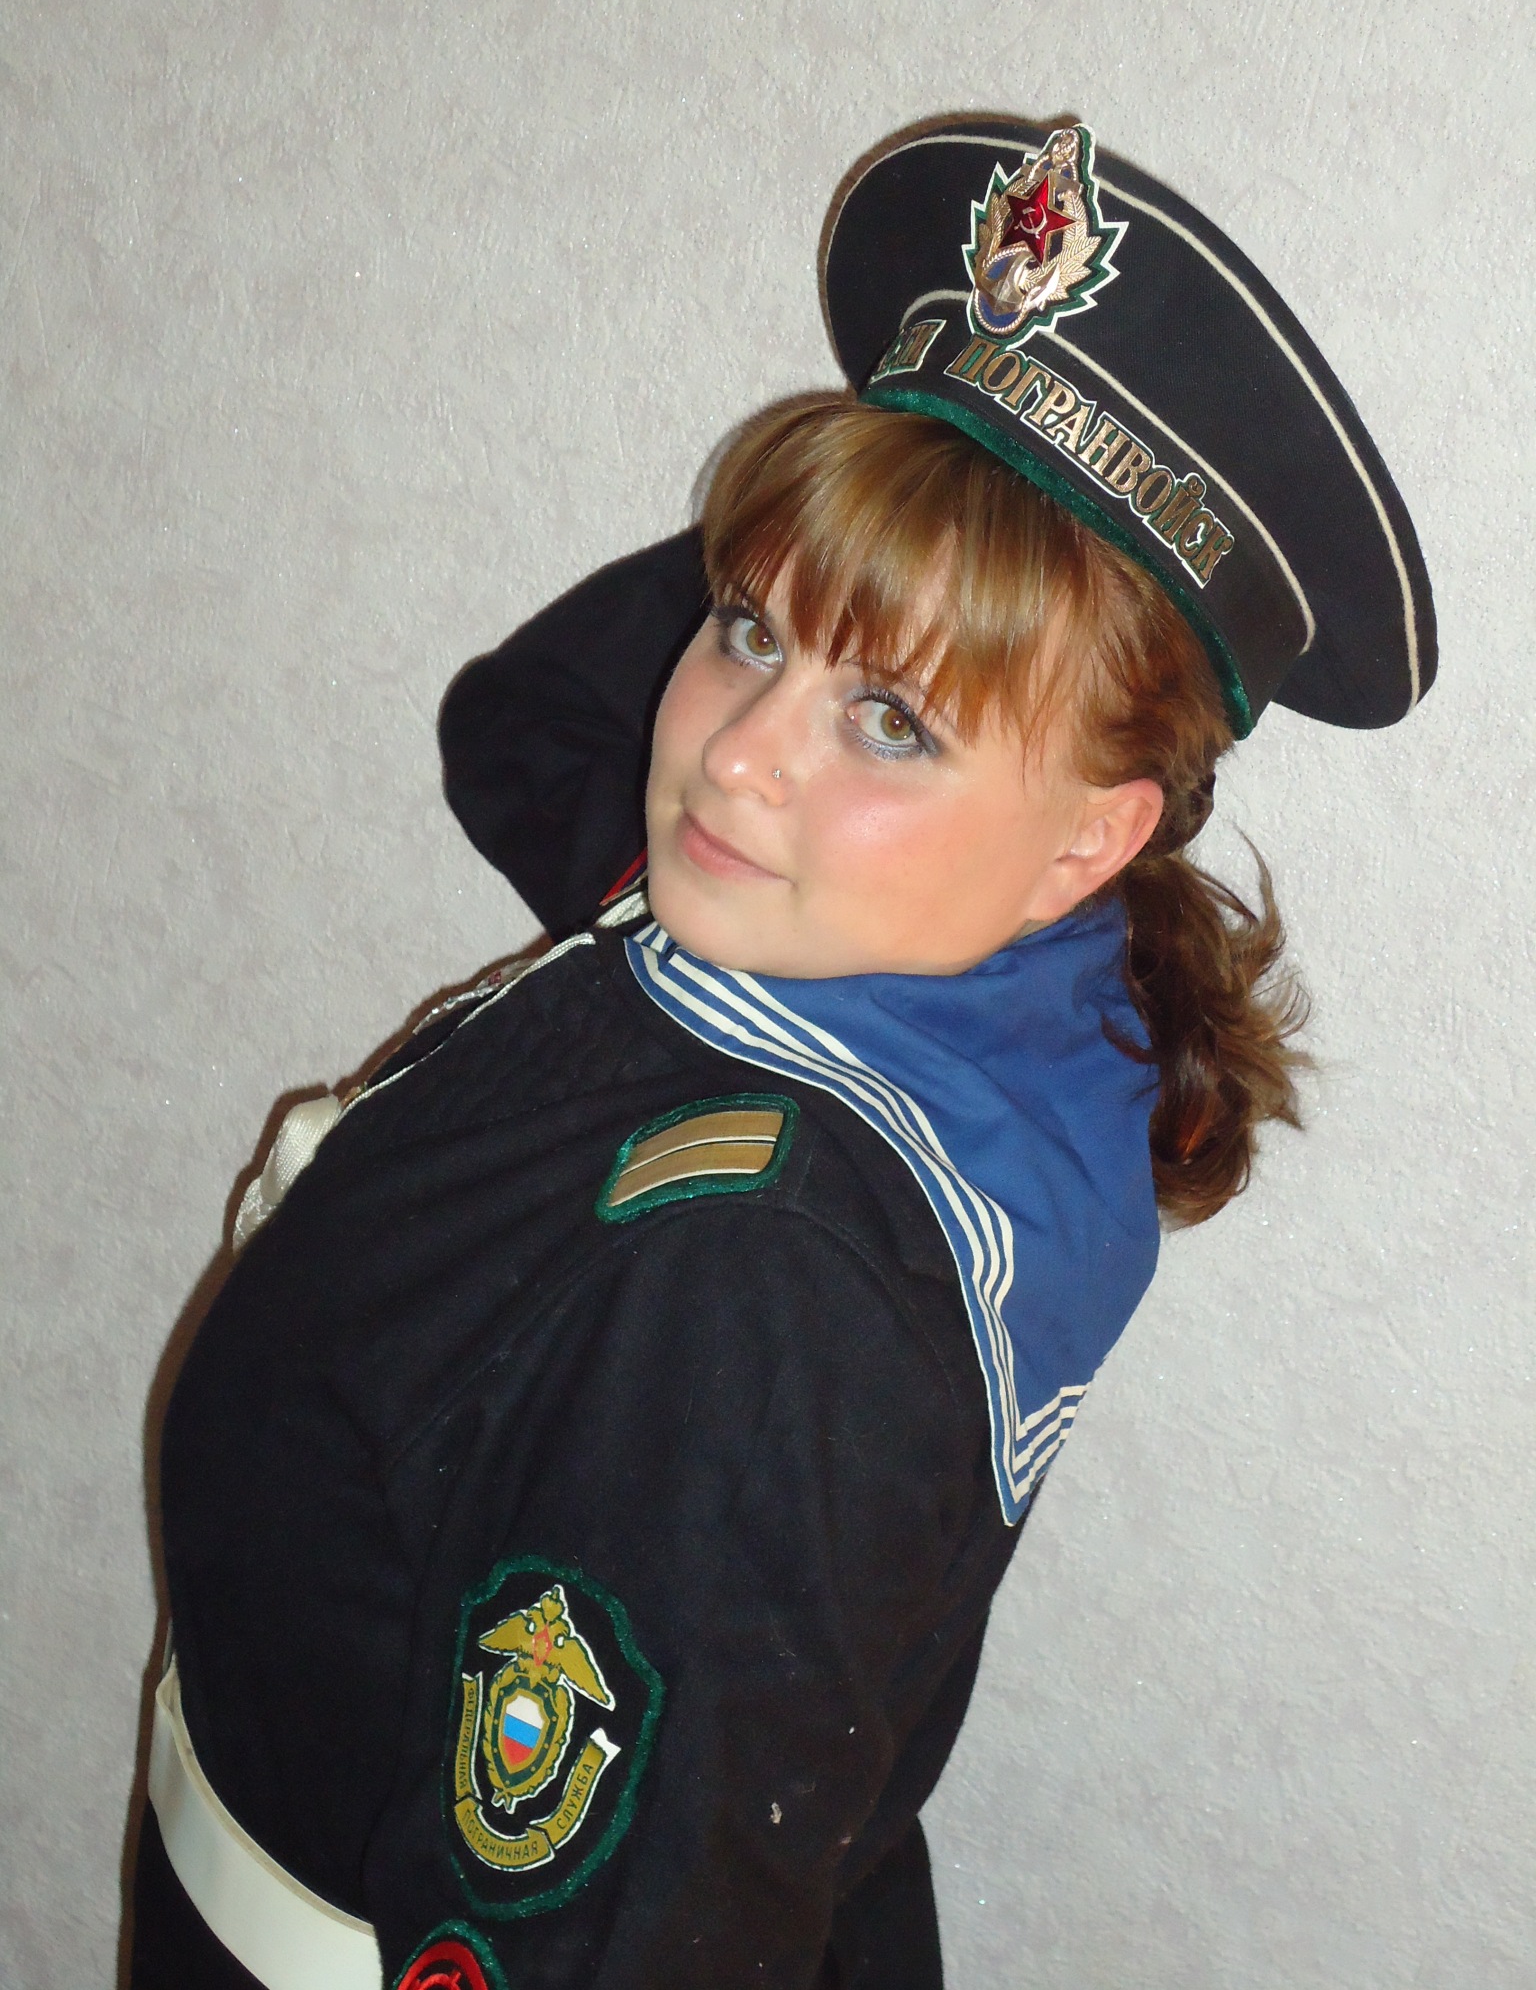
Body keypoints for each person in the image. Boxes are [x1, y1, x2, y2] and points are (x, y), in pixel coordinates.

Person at [130, 118, 1436, 1990]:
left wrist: (872, 545)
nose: (737, 755)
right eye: (746, 630)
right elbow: (523, 731)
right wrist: (904, 505)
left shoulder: (756, 1283)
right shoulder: (974, 981)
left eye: (892, 721)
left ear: (1093, 840)